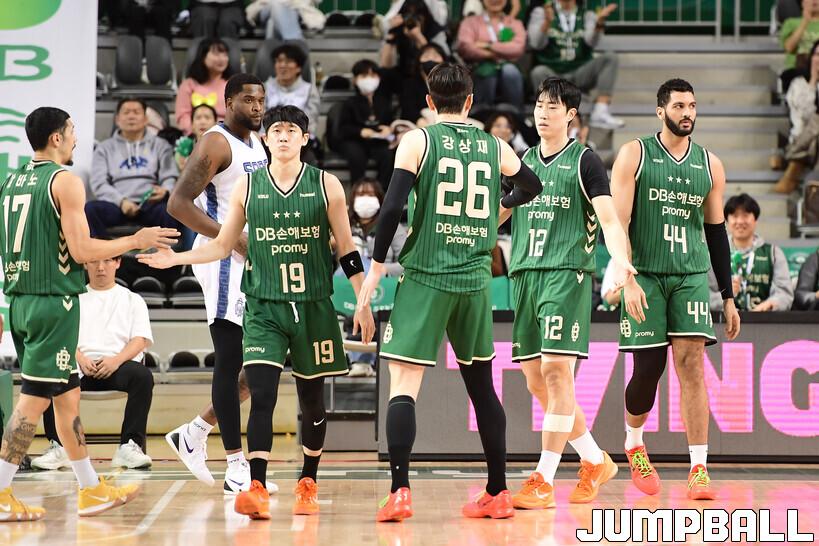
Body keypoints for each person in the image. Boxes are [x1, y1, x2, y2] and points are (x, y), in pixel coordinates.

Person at [138, 105, 376, 519]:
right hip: (264, 307)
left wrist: (362, 299)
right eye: (276, 130)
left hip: (313, 306)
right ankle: (257, 487)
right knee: (262, 396)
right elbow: (221, 244)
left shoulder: (327, 185)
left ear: (304, 139)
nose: (283, 136)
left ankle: (308, 480)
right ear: (265, 139)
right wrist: (176, 258)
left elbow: (346, 248)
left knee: (312, 402)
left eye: (291, 130)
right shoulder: (248, 186)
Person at [355, 62, 543, 522]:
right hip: (475, 280)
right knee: (482, 388)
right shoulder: (494, 145)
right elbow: (531, 185)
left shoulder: (419, 140)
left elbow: (392, 207)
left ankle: (400, 491)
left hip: (426, 275)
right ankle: (498, 491)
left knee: (404, 384)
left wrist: (375, 269)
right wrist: (498, 212)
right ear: (471, 101)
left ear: (429, 102)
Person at [0, 107, 178, 521]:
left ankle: (90, 488)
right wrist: (134, 239)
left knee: (67, 400)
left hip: (21, 301)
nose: (76, 138)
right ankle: (1, 492)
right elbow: (81, 251)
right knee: (31, 405)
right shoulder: (64, 181)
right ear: (57, 137)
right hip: (51, 303)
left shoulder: (10, 182)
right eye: (72, 130)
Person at [500, 77, 634, 510]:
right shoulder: (522, 160)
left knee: (557, 372)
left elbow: (609, 220)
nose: (543, 113)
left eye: (553, 107)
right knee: (536, 380)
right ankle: (594, 459)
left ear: (571, 115)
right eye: (539, 105)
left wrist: (620, 259)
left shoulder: (585, 161)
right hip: (524, 275)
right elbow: (501, 212)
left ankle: (543, 478)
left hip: (566, 272)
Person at [611, 79, 741, 501]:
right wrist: (627, 277)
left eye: (693, 106)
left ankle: (699, 468)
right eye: (680, 106)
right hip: (645, 274)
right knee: (648, 369)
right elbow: (618, 223)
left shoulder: (710, 164)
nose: (688, 113)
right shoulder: (634, 154)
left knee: (692, 366)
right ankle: (634, 443)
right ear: (660, 111)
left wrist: (728, 296)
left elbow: (716, 231)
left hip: (689, 275)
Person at [163, 74, 272, 495]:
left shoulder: (257, 144)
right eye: (248, 100)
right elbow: (178, 204)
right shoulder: (215, 142)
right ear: (228, 102)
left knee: (258, 363)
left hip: (252, 257)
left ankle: (193, 432)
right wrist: (231, 238)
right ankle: (235, 465)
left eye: (261, 100)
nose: (257, 107)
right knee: (229, 359)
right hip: (224, 259)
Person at [31, 254, 155, 471]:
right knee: (52, 373)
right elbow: (61, 336)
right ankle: (60, 447)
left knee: (143, 376)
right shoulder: (72, 299)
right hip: (79, 366)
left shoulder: (132, 299)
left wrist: (115, 361)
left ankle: (129, 446)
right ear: (85, 264)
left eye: (107, 261)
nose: (101, 267)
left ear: (117, 263)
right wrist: (79, 358)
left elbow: (140, 340)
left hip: (117, 365)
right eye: (94, 261)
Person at [86, 98, 181, 238]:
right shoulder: (104, 148)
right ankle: (105, 250)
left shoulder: (161, 145)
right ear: (117, 119)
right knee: (90, 209)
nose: (131, 116)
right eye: (126, 112)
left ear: (145, 119)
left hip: (150, 203)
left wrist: (165, 190)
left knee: (170, 210)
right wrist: (122, 201)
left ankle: (166, 250)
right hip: (117, 204)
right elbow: (99, 182)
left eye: (136, 112)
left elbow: (169, 176)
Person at [344, 178, 407, 377]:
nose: (365, 199)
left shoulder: (392, 227)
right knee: (356, 264)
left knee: (366, 266)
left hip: (384, 288)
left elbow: (406, 262)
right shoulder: (343, 225)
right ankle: (362, 358)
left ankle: (362, 360)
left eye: (370, 195)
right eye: (361, 194)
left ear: (380, 199)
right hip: (346, 289)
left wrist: (381, 270)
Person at [528, 0, 624, 130]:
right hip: (553, 72)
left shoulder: (587, 14)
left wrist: (599, 24)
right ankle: (550, 114)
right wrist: (547, 22)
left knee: (610, 58)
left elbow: (592, 42)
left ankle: (600, 110)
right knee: (538, 72)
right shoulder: (541, 12)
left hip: (579, 72)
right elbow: (535, 43)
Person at [708, 194, 794, 312]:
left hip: (764, 320)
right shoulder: (714, 254)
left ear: (755, 219)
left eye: (745, 215)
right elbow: (704, 296)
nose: (740, 221)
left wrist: (771, 304)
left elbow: (785, 294)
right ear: (726, 220)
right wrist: (725, 297)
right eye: (735, 216)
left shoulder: (773, 253)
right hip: (724, 320)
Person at [336, 60, 396, 190]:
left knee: (388, 155)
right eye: (364, 75)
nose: (369, 79)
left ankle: (382, 191)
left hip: (377, 140)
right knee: (356, 156)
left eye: (373, 75)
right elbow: (343, 129)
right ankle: (358, 191)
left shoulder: (384, 101)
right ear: (355, 80)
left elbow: (390, 122)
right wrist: (360, 131)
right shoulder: (350, 103)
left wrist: (389, 129)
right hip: (355, 140)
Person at [456, 0, 526, 111]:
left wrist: (488, 45)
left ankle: (516, 113)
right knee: (486, 72)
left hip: (508, 67)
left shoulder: (514, 23)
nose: (495, 0)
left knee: (510, 71)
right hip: (479, 67)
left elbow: (518, 48)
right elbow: (465, 47)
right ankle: (481, 113)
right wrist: (494, 54)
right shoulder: (470, 22)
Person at [263, 44, 320, 165]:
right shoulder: (265, 88)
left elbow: (310, 123)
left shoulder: (309, 90)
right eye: (279, 61)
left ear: (298, 67)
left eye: (288, 61)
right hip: (269, 140)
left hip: (300, 143)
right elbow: (260, 120)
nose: (283, 65)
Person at [176, 38, 234, 134]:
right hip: (196, 135)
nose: (222, 59)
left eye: (225, 55)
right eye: (216, 54)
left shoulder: (232, 85)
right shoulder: (189, 85)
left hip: (226, 135)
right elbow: (183, 117)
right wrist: (199, 133)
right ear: (203, 57)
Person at [398, 43, 448, 126]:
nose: (431, 59)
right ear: (419, 62)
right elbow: (408, 109)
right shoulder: (409, 84)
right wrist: (420, 122)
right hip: (418, 125)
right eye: (426, 56)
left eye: (435, 56)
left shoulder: (452, 83)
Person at [175, 104, 219, 172]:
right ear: (192, 125)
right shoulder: (184, 145)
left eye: (207, 117)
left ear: (215, 124)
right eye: (198, 118)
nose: (202, 122)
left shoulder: (223, 146)